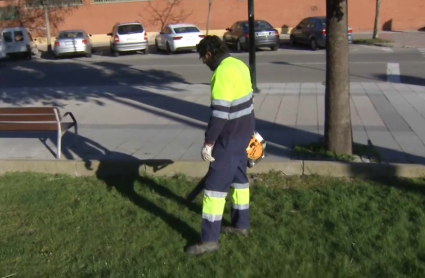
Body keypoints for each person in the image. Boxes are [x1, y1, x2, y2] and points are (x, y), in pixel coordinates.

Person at [185, 35, 255, 256]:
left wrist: (208, 143)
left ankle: (209, 241)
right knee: (240, 183)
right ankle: (240, 225)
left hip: (228, 140)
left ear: (208, 54)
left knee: (213, 191)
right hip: (244, 135)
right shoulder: (239, 65)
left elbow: (219, 115)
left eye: (202, 58)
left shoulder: (221, 73)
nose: (204, 63)